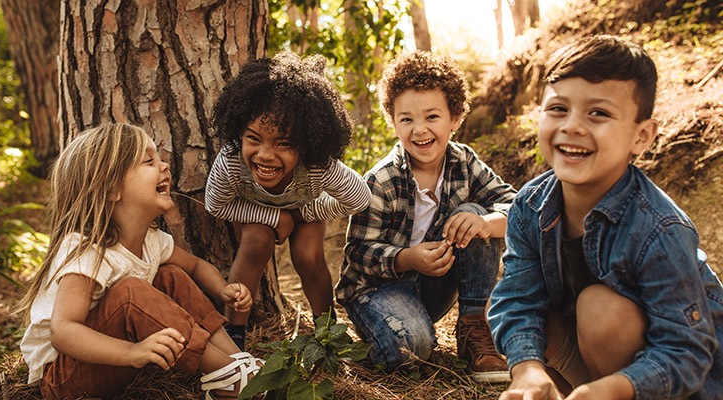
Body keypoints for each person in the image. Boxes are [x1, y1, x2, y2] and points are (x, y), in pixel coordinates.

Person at [488, 35, 723, 400]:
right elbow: (517, 300)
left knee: (601, 309)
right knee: (529, 313)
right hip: (595, 365)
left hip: (683, 382)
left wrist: (613, 390)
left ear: (641, 136)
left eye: (598, 113)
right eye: (558, 109)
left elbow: (686, 350)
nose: (573, 126)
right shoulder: (530, 205)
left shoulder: (659, 228)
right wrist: (527, 370)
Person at [18, 124, 262, 400]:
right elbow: (63, 332)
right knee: (129, 292)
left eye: (159, 158)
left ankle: (237, 361)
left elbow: (194, 266)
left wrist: (222, 290)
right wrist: (132, 353)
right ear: (111, 188)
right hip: (66, 378)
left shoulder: (152, 241)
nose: (165, 166)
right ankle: (229, 377)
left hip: (112, 362)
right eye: (149, 161)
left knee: (171, 276)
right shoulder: (86, 249)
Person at [335, 51, 517, 383]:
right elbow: (358, 253)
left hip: (433, 286)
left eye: (432, 116)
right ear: (392, 122)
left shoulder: (464, 162)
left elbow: (517, 206)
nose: (420, 130)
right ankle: (390, 330)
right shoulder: (381, 180)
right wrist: (407, 259)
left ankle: (474, 327)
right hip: (378, 291)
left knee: (474, 215)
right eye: (407, 119)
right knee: (413, 348)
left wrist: (488, 223)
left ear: (456, 118)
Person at [204, 52, 371, 349]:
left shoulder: (318, 166)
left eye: (283, 143)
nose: (265, 154)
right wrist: (273, 217)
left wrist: (306, 211)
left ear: (306, 144)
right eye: (253, 138)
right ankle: (233, 341)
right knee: (256, 242)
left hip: (304, 209)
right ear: (239, 132)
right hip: (255, 212)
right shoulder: (231, 161)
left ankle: (327, 334)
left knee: (308, 257)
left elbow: (358, 198)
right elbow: (215, 205)